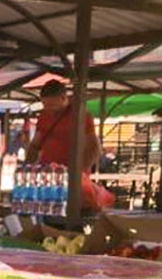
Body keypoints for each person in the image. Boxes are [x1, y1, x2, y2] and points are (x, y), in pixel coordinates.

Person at [28, 80, 110, 211]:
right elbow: (35, 144)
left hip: (72, 181)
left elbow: (94, 148)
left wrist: (78, 173)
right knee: (46, 214)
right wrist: (29, 169)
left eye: (52, 105)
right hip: (48, 177)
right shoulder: (43, 116)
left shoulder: (81, 116)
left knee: (69, 214)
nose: (48, 109)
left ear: (63, 98)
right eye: (45, 105)